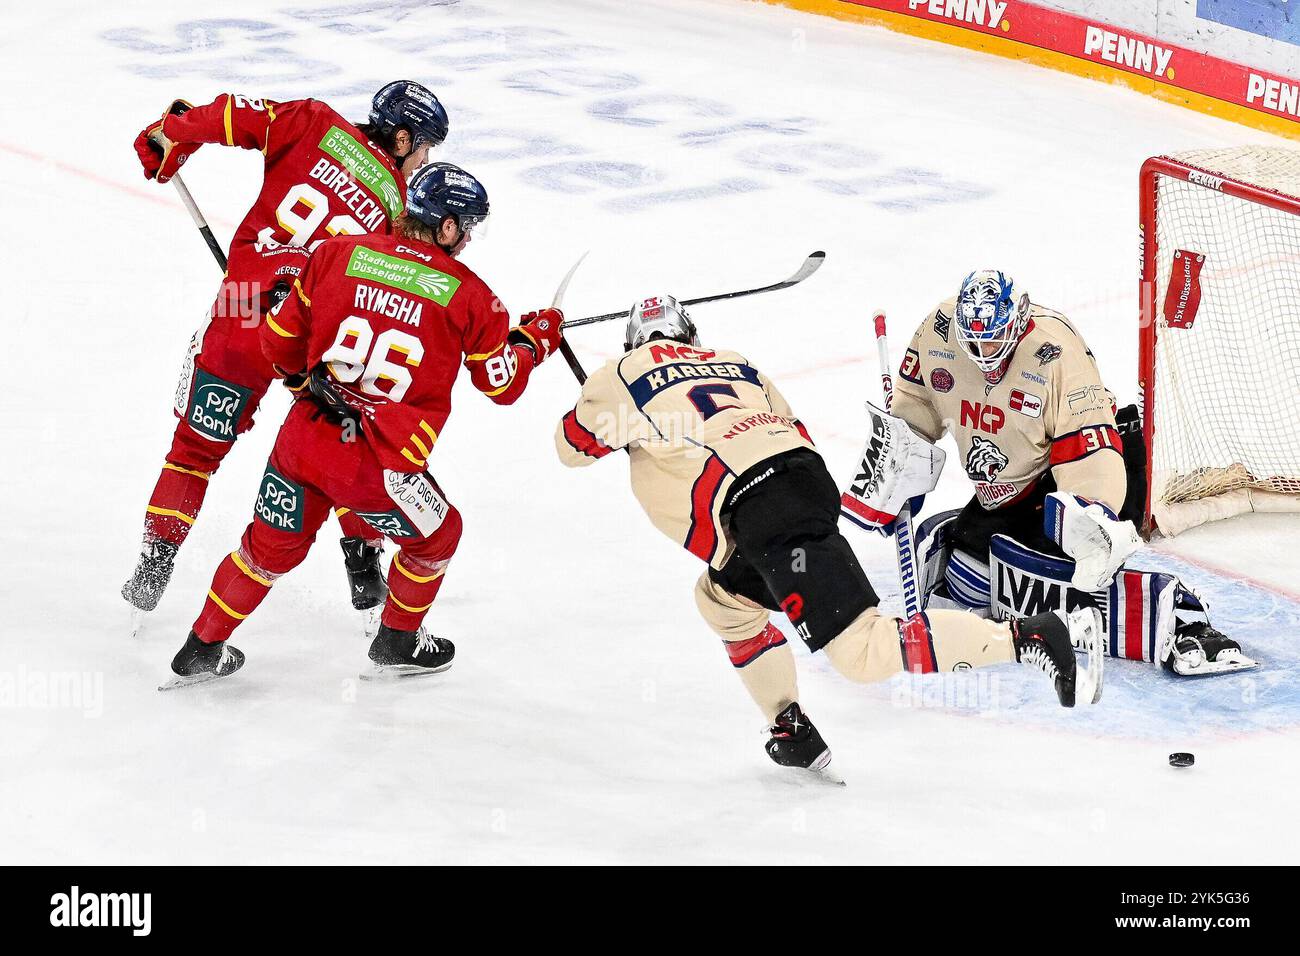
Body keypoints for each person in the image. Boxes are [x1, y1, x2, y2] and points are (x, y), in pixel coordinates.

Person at [556, 295, 1102, 778]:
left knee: (861, 652)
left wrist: (554, 359)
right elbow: (789, 430)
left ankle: (1031, 637)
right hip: (795, 488)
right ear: (692, 338)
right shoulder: (736, 363)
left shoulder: (622, 372)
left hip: (761, 511)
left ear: (632, 342)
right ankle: (790, 728)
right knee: (723, 602)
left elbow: (571, 447)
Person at [162, 162, 565, 688]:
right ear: (445, 226)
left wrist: (302, 384)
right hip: (377, 463)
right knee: (438, 537)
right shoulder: (472, 296)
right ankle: (396, 639)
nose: (467, 240)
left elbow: (279, 342)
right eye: (466, 226)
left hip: (303, 440)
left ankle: (201, 648)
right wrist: (534, 340)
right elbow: (502, 385)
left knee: (263, 549)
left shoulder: (338, 253)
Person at [124, 81, 450, 627]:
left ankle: (154, 564)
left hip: (242, 309)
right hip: (310, 339)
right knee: (342, 441)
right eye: (423, 148)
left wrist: (170, 134)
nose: (423, 162)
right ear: (400, 138)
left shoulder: (312, 121)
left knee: (194, 452)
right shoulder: (397, 207)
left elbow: (225, 114)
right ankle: (363, 563)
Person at [841, 269, 1255, 677]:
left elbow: (1091, 456)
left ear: (1018, 321)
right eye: (975, 342)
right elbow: (918, 404)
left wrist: (1088, 523)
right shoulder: (939, 332)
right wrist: (900, 459)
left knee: (1063, 581)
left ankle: (1183, 618)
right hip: (1010, 488)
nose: (985, 355)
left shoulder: (1054, 349)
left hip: (1085, 470)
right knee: (962, 590)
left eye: (995, 340)